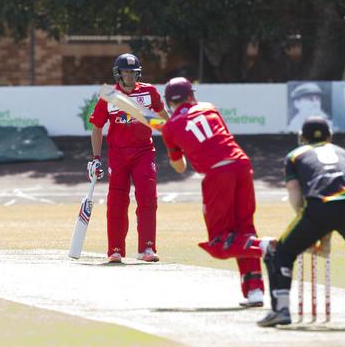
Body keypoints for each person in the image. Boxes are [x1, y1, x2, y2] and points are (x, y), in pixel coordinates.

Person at [258, 116, 345, 327]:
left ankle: (281, 309)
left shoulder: (294, 155)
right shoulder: (342, 152)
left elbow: (295, 193)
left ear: (302, 137)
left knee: (281, 252)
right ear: (329, 135)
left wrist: (311, 229)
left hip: (318, 207)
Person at [160, 77, 272, 307]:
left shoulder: (170, 128)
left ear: (168, 101)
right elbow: (218, 139)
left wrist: (171, 141)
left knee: (220, 243)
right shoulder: (209, 107)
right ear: (191, 95)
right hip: (241, 164)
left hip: (217, 175)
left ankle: (267, 247)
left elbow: (179, 167)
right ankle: (255, 292)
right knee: (244, 229)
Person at [88, 53, 169, 263]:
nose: (130, 76)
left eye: (133, 73)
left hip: (144, 152)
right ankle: (115, 250)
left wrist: (175, 139)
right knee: (116, 201)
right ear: (118, 74)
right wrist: (95, 158)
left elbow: (162, 119)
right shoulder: (109, 96)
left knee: (148, 198)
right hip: (118, 155)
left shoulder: (149, 92)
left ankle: (147, 249)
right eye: (125, 72)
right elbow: (97, 127)